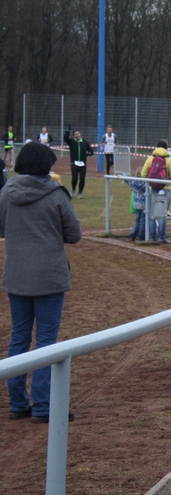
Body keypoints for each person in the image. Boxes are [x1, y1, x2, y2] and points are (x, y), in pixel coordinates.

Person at [0, 142, 82, 423]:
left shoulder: (6, 192)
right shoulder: (57, 194)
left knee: (19, 337)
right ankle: (44, 405)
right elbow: (74, 234)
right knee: (46, 341)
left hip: (17, 274)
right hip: (49, 276)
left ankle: (17, 402)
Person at [140, 140, 171, 243]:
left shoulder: (150, 158)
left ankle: (152, 237)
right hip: (166, 189)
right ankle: (162, 238)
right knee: (163, 214)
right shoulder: (169, 160)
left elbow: (143, 174)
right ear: (166, 148)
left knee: (152, 214)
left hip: (152, 188)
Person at [63, 127, 94, 199]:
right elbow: (65, 138)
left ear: (80, 134)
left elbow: (91, 151)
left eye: (78, 133)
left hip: (83, 163)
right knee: (74, 178)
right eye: (75, 134)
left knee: (82, 178)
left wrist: (88, 154)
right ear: (74, 135)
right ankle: (73, 189)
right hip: (74, 163)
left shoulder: (84, 142)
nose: (77, 135)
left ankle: (80, 193)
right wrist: (68, 131)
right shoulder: (71, 142)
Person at [126, 167, 147, 241]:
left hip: (136, 204)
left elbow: (127, 180)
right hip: (144, 204)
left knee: (137, 220)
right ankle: (141, 236)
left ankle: (133, 235)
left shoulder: (134, 182)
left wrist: (123, 175)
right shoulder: (145, 182)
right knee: (142, 221)